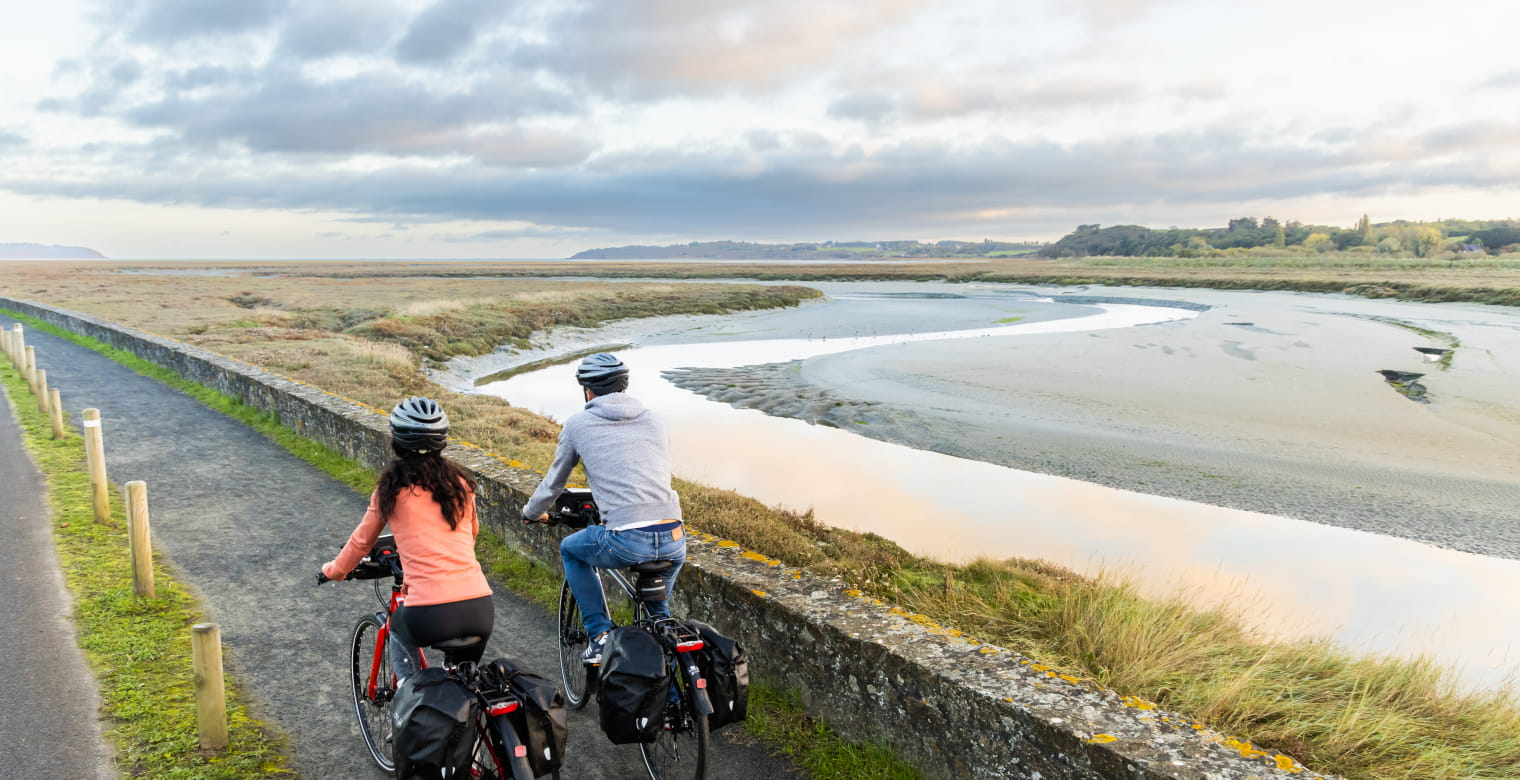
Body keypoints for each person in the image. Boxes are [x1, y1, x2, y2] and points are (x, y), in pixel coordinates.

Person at [522, 352, 685, 664]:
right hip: (674, 537)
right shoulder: (654, 418)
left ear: (587, 391)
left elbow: (554, 484)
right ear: (623, 386)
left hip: (627, 538)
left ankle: (599, 636)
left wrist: (531, 513)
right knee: (657, 617)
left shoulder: (578, 424)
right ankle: (669, 680)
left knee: (571, 549)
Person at [322, 397, 493, 670]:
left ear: (397, 441)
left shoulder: (392, 488)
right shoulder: (460, 484)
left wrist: (335, 571)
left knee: (396, 628)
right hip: (480, 606)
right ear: (442, 440)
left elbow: (361, 542)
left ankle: (408, 694)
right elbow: (470, 535)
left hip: (429, 612)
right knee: (464, 686)